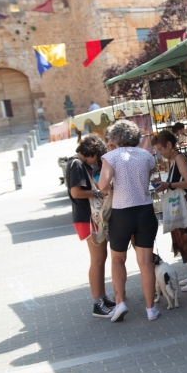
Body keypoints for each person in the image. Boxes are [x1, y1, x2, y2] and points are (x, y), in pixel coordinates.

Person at [99, 120, 160, 322]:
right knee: (146, 263)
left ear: (115, 137)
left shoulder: (111, 157)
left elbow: (102, 185)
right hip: (144, 210)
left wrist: (110, 188)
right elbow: (147, 178)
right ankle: (151, 309)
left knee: (118, 260)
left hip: (121, 213)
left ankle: (120, 303)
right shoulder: (146, 155)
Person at [65, 134, 115, 318]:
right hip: (86, 218)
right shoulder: (76, 164)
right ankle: (97, 302)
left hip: (87, 217)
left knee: (100, 258)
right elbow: (76, 192)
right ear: (92, 152)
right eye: (97, 157)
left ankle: (102, 297)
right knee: (97, 259)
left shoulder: (78, 164)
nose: (96, 162)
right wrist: (97, 193)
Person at [151, 131, 187, 292]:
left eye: (161, 149)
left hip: (186, 203)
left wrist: (168, 185)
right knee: (182, 240)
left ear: (169, 144)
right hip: (182, 203)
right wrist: (165, 184)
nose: (160, 153)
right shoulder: (173, 160)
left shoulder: (180, 158)